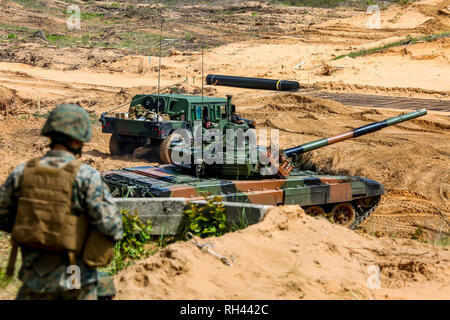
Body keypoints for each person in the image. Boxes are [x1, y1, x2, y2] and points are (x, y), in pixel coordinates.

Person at [0, 104, 123, 300]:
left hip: (34, 278)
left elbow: (3, 217)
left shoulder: (22, 172)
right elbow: (113, 227)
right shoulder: (86, 176)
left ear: (50, 135)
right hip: (75, 279)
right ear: (78, 140)